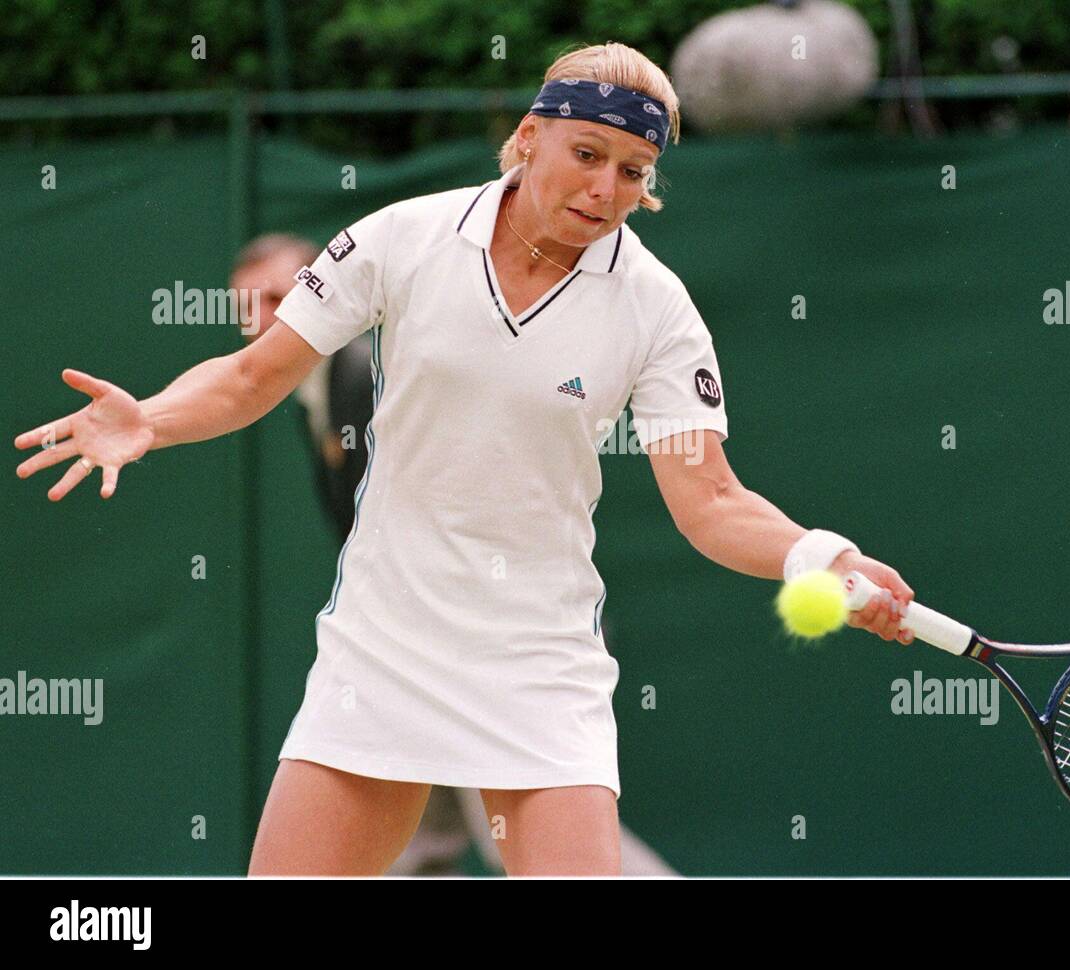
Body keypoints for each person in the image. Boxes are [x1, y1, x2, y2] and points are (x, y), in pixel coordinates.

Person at [13, 41, 915, 876]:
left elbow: (712, 500)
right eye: (587, 154)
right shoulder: (400, 238)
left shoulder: (660, 311)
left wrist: (818, 555)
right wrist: (152, 420)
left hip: (538, 662)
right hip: (384, 646)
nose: (606, 186)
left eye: (634, 170)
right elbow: (253, 376)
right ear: (528, 138)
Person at [230, 234, 676, 875]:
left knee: (522, 840)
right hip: (424, 647)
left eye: (280, 295)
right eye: (249, 302)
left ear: (318, 293)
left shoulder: (365, 377)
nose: (265, 316)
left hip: (493, 646)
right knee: (424, 846)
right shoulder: (318, 392)